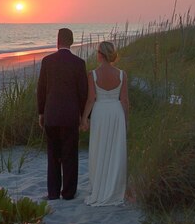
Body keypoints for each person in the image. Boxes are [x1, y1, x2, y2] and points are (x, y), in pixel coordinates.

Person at [37, 28, 88, 200]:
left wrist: (41, 112)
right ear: (72, 42)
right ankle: (68, 192)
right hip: (70, 115)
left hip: (51, 114)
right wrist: (84, 116)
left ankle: (53, 192)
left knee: (53, 156)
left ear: (57, 41)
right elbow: (83, 92)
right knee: (70, 155)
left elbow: (41, 89)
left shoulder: (47, 61)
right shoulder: (79, 63)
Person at [81, 41, 129, 206]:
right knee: (115, 150)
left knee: (99, 148)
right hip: (116, 113)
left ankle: (99, 186)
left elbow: (91, 99)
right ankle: (114, 188)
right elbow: (124, 101)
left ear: (100, 54)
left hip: (100, 113)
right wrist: (126, 121)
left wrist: (84, 119)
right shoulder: (122, 74)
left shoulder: (93, 74)